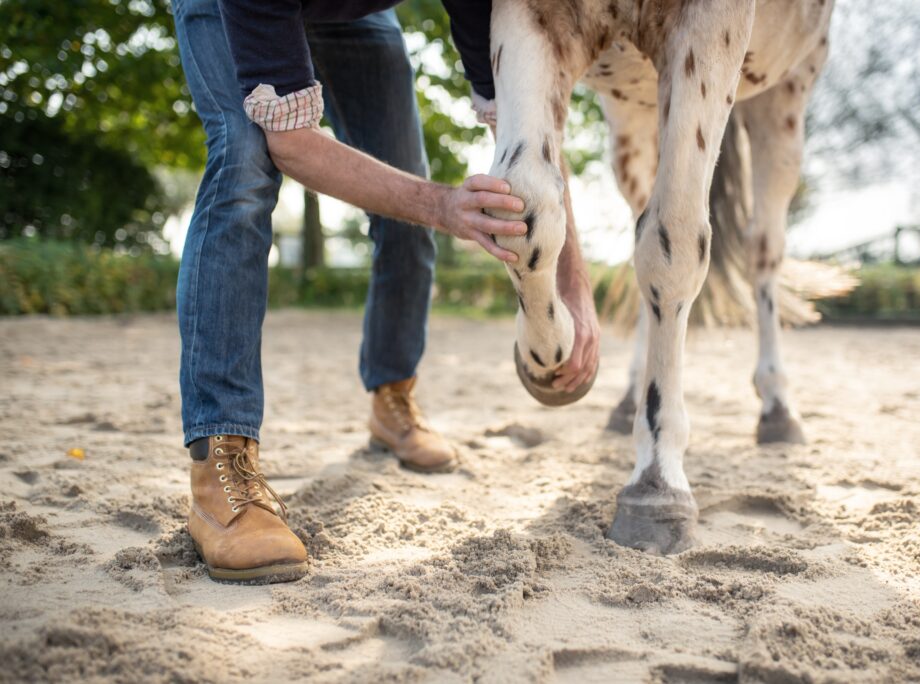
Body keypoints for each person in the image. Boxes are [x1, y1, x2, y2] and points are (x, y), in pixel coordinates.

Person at [171, 0, 599, 584]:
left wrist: (575, 289)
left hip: (361, 17)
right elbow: (292, 143)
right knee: (243, 165)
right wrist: (444, 204)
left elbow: (527, 133)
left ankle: (392, 398)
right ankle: (220, 464)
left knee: (404, 194)